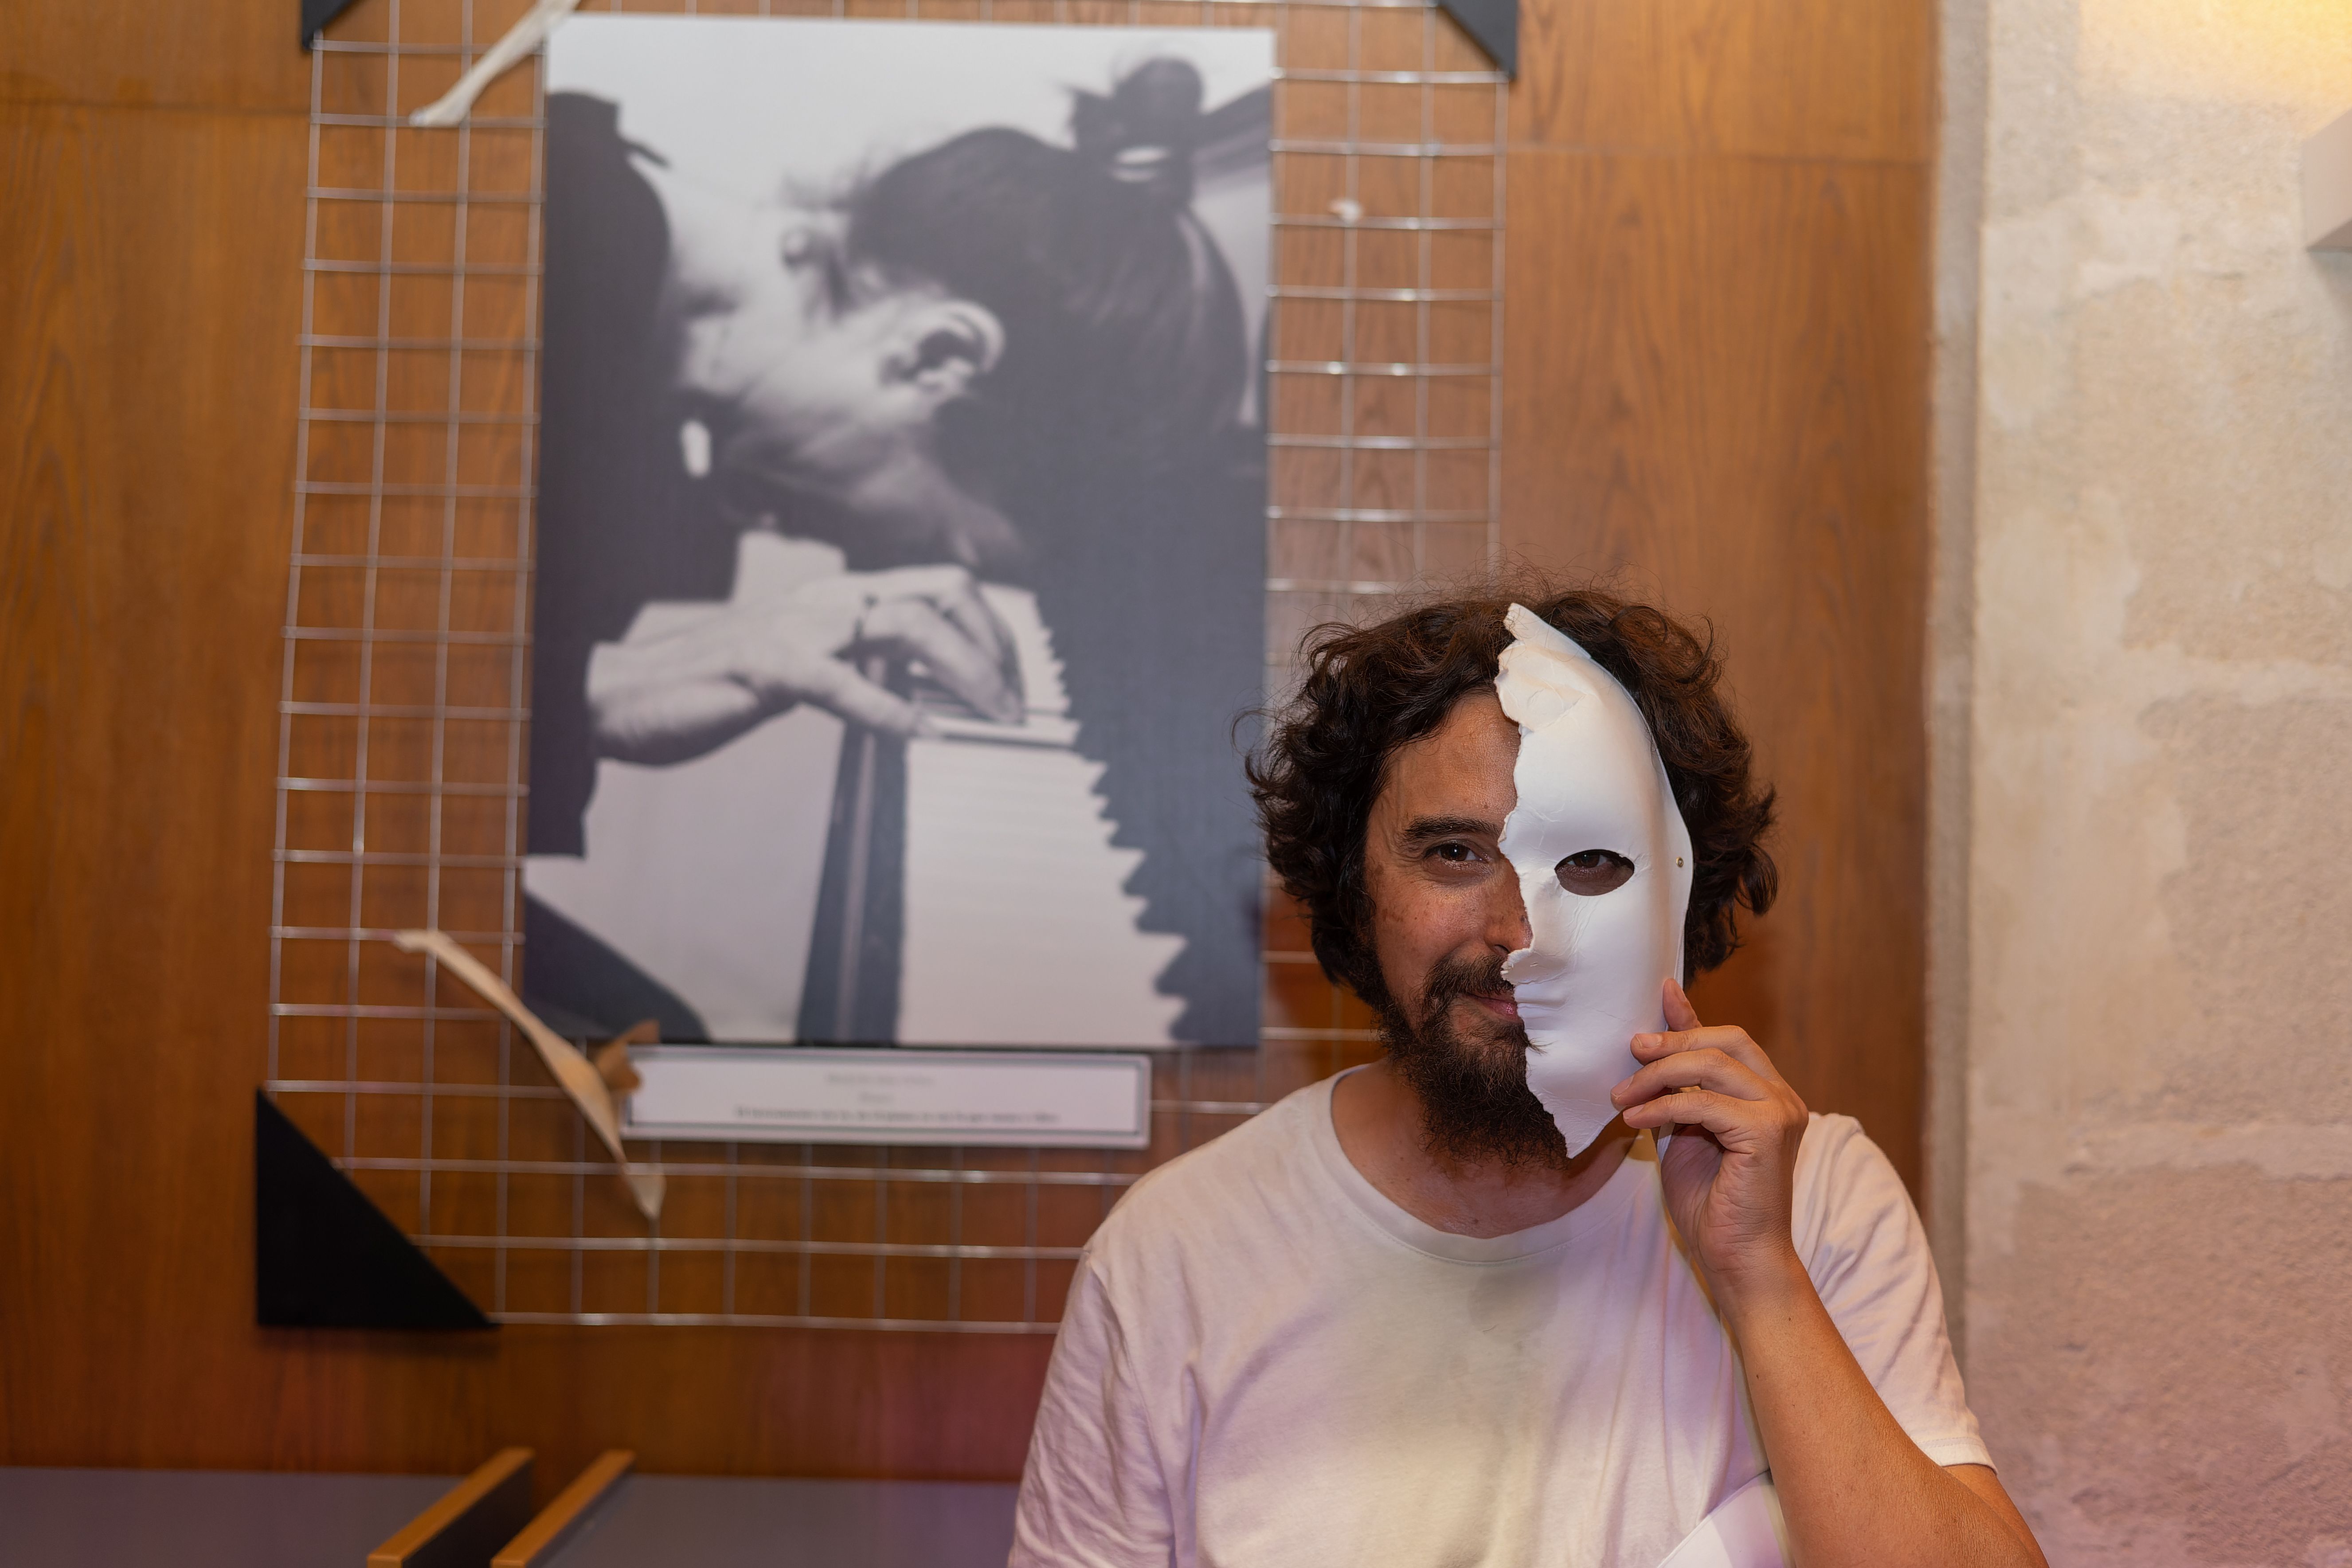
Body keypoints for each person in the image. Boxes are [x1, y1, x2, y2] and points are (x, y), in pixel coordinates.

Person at [1010, 589, 2048, 1568]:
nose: (1519, 931)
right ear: (1351, 887)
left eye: (1590, 864)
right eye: (1456, 852)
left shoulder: (1813, 1198)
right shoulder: (1175, 1254)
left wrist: (1761, 1275)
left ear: (1680, 895)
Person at [526, 60, 1268, 1043]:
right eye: (929, 538)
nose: (856, 553)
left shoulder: (626, 304)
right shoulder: (541, 226)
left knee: (651, 1040)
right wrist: (595, 690)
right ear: (938, 355)